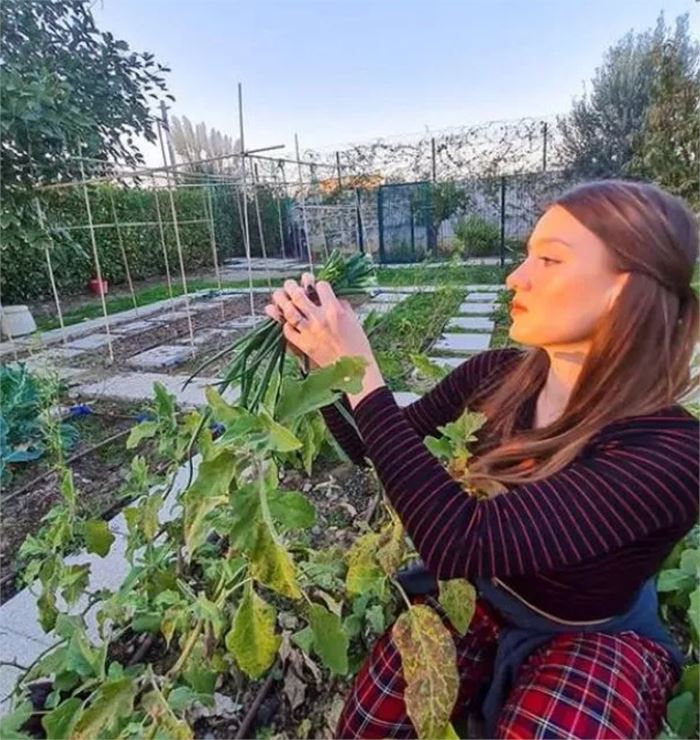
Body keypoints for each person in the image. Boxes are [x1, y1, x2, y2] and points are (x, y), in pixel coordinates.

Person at [265, 179, 699, 739]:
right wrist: (322, 366)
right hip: (480, 595)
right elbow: (372, 447)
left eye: (549, 259)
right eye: (526, 256)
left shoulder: (670, 452)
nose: (515, 278)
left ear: (624, 290)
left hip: (594, 630)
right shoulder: (496, 376)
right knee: (371, 722)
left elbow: (460, 539)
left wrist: (364, 373)